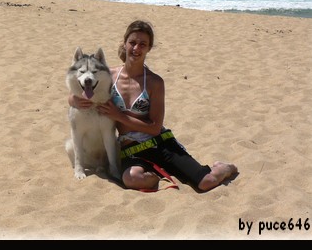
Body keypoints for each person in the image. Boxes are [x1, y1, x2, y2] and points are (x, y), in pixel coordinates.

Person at [69, 20, 238, 192]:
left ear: (149, 48)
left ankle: (224, 168)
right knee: (131, 179)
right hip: (130, 150)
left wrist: (119, 116)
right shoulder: (109, 76)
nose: (136, 48)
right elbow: (82, 89)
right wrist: (73, 100)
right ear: (125, 43)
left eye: (143, 44)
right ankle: (159, 174)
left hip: (160, 144)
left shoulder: (154, 82)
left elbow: (155, 128)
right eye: (133, 43)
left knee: (205, 183)